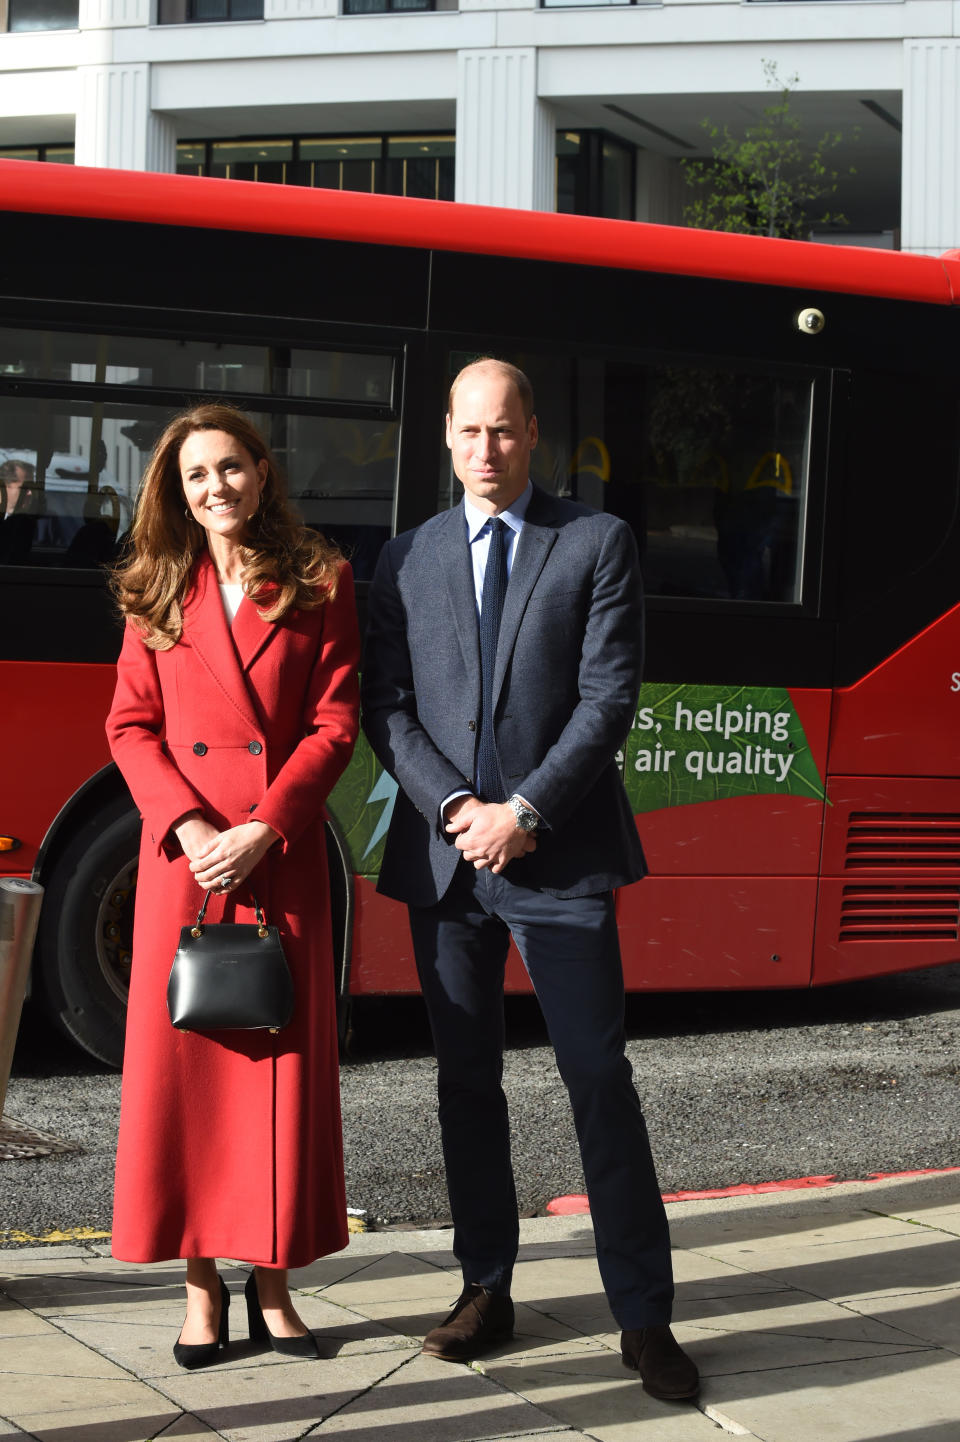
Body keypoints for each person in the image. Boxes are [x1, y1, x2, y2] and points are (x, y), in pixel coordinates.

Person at [361, 359, 698, 1403]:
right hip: (448, 863)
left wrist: (525, 814)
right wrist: (459, 811)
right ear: (447, 438)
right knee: (466, 1081)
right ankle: (484, 1285)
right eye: (469, 431)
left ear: (533, 432)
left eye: (504, 431)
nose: (486, 450)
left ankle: (644, 1315)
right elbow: (389, 703)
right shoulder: (405, 556)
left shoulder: (594, 541)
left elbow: (608, 700)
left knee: (598, 1077)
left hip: (561, 860)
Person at [106, 403, 360, 1369]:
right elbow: (129, 727)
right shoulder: (151, 587)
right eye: (195, 474)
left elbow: (336, 722)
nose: (216, 487)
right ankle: (200, 1286)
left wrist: (264, 825)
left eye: (232, 468)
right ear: (176, 489)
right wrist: (192, 825)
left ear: (263, 471)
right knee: (191, 1082)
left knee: (276, 1070)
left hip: (278, 854)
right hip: (187, 863)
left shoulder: (321, 578)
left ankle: (276, 1284)